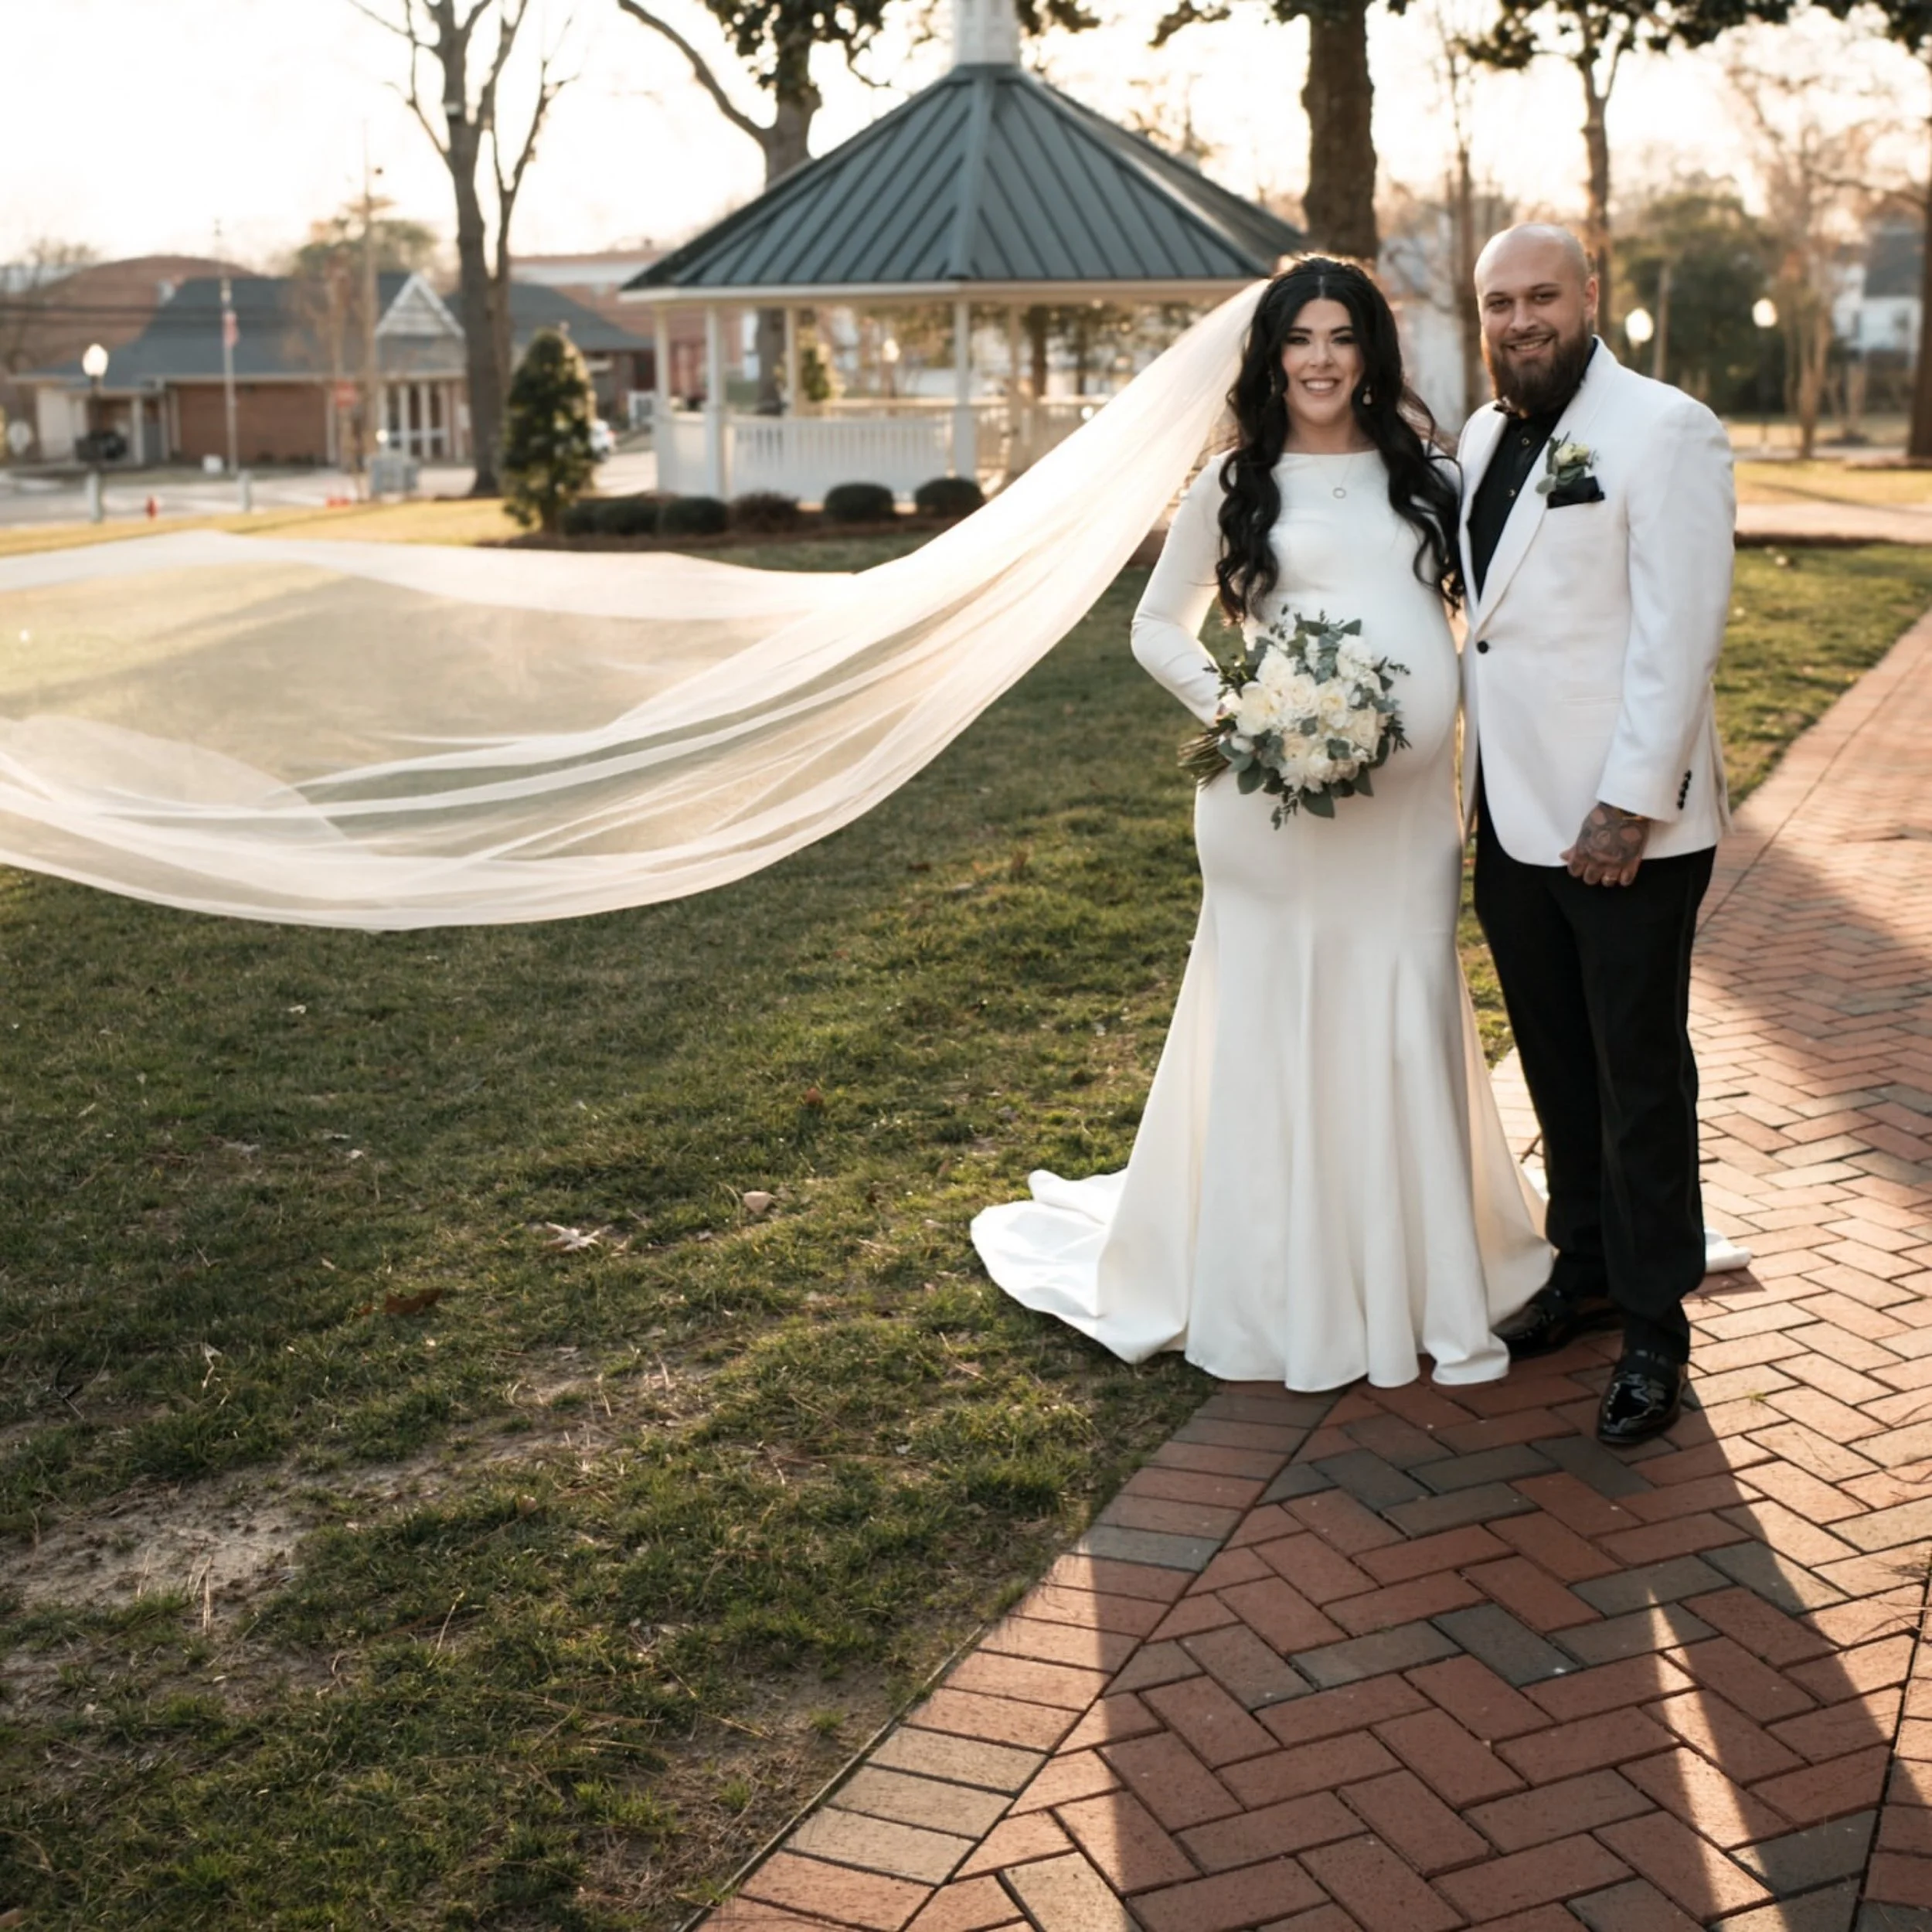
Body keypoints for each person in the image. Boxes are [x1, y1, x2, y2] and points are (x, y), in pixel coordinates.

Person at [971, 257, 1551, 1393]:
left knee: (1403, 1004)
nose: (1322, 359)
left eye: (1343, 337)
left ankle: (1417, 1272)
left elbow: (1478, 622)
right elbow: (1156, 627)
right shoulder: (1235, 482)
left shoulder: (1427, 476)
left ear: (1373, 353)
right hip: (1271, 815)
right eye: (1302, 339)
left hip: (1404, 823)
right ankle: (1280, 1279)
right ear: (1273, 355)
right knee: (1280, 1016)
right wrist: (1254, 716)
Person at [1460, 225, 1736, 1445]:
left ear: (1589, 296)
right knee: (1558, 1064)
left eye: (1540, 297)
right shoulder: (1479, 437)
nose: (1519, 320)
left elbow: (1679, 635)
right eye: (1497, 301)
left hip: (1622, 826)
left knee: (1639, 1080)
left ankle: (1656, 1327)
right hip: (1509, 818)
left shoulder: (1664, 429)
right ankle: (1580, 1272)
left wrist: (1630, 803)